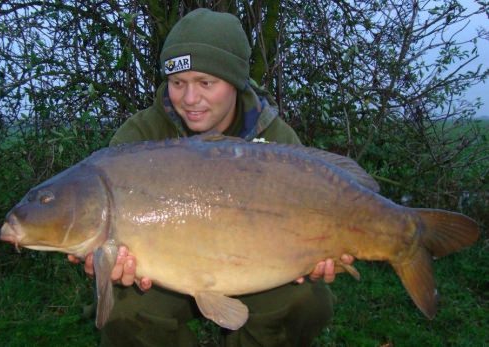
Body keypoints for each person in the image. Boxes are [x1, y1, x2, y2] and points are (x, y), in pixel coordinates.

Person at [69, 8, 354, 347]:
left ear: (234, 82)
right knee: (124, 312)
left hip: (254, 269)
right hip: (165, 278)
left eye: (206, 83)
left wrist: (316, 258)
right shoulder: (139, 138)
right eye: (178, 83)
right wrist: (105, 265)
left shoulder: (276, 140)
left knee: (307, 302)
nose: (190, 99)